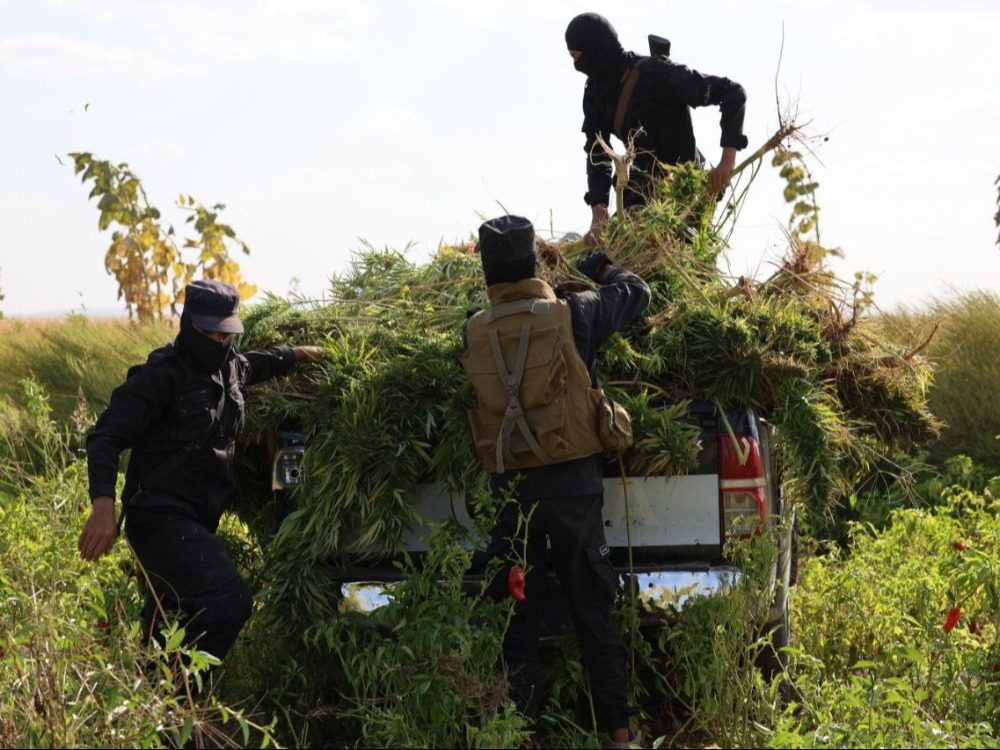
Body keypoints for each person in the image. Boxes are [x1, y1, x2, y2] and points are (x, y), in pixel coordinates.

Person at [461, 215, 650, 748]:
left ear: (486, 271)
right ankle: (619, 734)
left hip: (511, 493)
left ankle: (523, 736)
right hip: (572, 490)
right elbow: (638, 293)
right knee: (593, 611)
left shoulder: (473, 327)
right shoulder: (577, 312)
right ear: (534, 262)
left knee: (516, 615)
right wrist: (601, 267)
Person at [78, 279, 323, 663]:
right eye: (209, 331)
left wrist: (299, 354)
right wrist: (103, 508)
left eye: (225, 333)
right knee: (230, 600)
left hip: (197, 519)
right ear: (187, 324)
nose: (218, 340)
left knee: (170, 616)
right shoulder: (159, 377)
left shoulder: (230, 368)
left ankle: (156, 708)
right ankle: (180, 695)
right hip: (159, 519)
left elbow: (260, 363)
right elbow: (105, 438)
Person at [565, 12, 749, 244]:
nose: (577, 66)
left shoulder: (659, 75)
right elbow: (597, 152)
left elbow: (733, 93)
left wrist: (726, 162)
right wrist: (599, 213)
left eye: (578, 57)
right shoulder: (595, 93)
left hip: (685, 194)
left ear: (598, 50)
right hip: (639, 199)